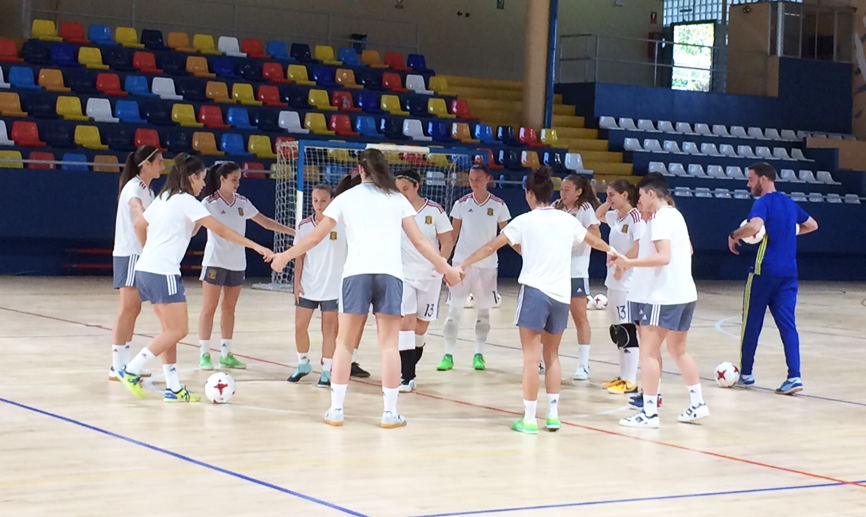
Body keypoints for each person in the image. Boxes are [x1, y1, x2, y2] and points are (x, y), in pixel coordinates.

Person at [270, 149, 463, 428]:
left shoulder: (346, 198)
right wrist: (447, 268)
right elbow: (421, 242)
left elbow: (314, 237)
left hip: (356, 275)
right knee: (389, 346)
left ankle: (336, 410)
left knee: (344, 344)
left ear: (360, 170)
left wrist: (285, 256)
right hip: (390, 276)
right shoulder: (397, 199)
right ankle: (390, 413)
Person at [458, 167, 615, 434]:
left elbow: (490, 247)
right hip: (561, 295)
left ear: (529, 194)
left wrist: (462, 264)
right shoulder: (567, 220)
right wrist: (615, 252)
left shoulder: (523, 221)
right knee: (552, 356)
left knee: (531, 359)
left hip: (534, 292)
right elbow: (595, 241)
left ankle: (530, 419)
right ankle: (553, 416)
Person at [115, 154, 274, 402]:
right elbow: (221, 230)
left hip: (145, 269)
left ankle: (174, 388)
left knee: (169, 331)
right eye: (202, 178)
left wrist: (148, 252)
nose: (204, 184)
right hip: (163, 271)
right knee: (178, 329)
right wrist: (255, 246)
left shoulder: (164, 197)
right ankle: (132, 369)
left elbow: (139, 225)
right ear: (192, 178)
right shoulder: (187, 201)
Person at [613, 173, 707, 428]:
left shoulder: (660, 218)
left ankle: (649, 413)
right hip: (684, 293)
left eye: (641, 196)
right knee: (678, 350)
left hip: (663, 296)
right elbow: (687, 250)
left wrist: (630, 263)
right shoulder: (676, 215)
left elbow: (664, 257)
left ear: (651, 194)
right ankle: (698, 402)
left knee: (648, 353)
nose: (639, 201)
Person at [728, 162, 818, 394]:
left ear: (763, 179)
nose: (748, 184)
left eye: (751, 179)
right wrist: (791, 232)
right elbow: (812, 225)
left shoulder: (763, 202)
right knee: (788, 326)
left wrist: (734, 235)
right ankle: (794, 376)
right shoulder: (789, 203)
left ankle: (746, 374)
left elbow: (754, 226)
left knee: (752, 323)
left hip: (763, 272)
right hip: (789, 274)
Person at [198, 162, 295, 371]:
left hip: (237, 263)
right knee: (209, 308)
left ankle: (226, 354)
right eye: (233, 179)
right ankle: (204, 354)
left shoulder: (242, 202)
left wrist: (294, 232)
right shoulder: (209, 203)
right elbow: (212, 230)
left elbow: (266, 222)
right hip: (215, 261)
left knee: (229, 309)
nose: (237, 183)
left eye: (239, 180)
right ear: (222, 179)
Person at [438, 163, 510, 372]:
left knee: (483, 313)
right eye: (471, 179)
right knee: (454, 312)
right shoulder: (461, 204)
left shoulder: (499, 205)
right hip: (461, 266)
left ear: (488, 179)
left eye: (478, 179)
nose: (474, 183)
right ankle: (448, 354)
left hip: (487, 266)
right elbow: (452, 237)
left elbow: (507, 235)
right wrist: (444, 264)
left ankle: (479, 354)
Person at [395, 169, 454, 392]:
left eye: (405, 189)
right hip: (404, 274)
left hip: (430, 276)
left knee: (420, 328)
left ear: (416, 186)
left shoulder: (434, 210)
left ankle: (409, 366)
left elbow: (447, 241)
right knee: (406, 323)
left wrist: (441, 264)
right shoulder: (395, 211)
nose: (402, 194)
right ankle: (406, 376)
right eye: (398, 190)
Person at [109, 145, 162, 381]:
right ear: (146, 165)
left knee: (134, 308)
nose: (163, 166)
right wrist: (142, 217)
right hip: (131, 253)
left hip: (139, 253)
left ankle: (125, 364)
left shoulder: (148, 189)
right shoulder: (134, 186)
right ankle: (117, 366)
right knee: (128, 308)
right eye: (159, 161)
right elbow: (135, 205)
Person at [286, 184, 346, 388]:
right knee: (299, 326)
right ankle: (303, 363)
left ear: (332, 200)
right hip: (308, 285)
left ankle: (327, 370)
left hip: (333, 286)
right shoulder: (304, 226)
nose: (319, 205)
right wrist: (296, 283)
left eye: (323, 200)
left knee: (329, 330)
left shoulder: (343, 224)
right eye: (315, 201)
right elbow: (299, 256)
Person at [595, 179, 645, 394]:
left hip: (628, 281)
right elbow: (598, 215)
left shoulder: (635, 217)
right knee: (617, 330)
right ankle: (623, 376)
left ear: (625, 195)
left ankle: (631, 379)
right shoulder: (615, 216)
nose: (609, 198)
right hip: (614, 280)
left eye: (612, 194)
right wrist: (608, 202)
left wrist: (623, 266)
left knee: (627, 328)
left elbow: (639, 246)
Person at [555, 175, 601, 381]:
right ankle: (544, 359)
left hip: (576, 271)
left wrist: (576, 234)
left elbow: (596, 237)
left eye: (567, 189)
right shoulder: (556, 207)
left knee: (579, 317)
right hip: (555, 271)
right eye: (561, 189)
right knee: (551, 317)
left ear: (578, 191)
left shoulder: (585, 209)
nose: (562, 193)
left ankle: (583, 364)